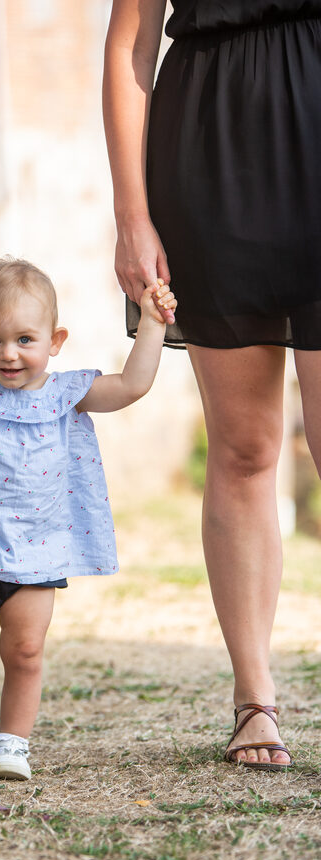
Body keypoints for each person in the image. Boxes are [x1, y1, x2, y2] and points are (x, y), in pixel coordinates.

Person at [102, 1, 321, 770]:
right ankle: (254, 698)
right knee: (245, 447)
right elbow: (131, 41)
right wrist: (133, 215)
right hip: (210, 143)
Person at [0, 255, 176, 779]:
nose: (9, 354)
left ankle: (13, 744)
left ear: (55, 341)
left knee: (26, 649)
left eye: (25, 339)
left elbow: (132, 385)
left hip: (39, 546)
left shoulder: (69, 395)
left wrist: (152, 323)